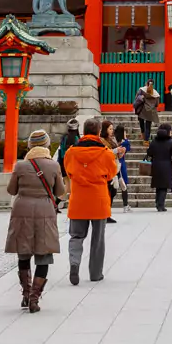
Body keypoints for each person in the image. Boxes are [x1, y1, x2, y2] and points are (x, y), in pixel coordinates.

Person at [4, 129, 62, 311]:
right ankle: (34, 299)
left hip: (22, 210)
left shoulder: (20, 166)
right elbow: (60, 192)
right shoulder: (53, 166)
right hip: (45, 210)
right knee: (43, 255)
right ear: (46, 145)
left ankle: (26, 293)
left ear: (29, 145)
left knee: (24, 252)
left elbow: (11, 190)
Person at [59, 120, 117, 285]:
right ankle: (95, 273)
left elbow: (69, 171)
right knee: (98, 239)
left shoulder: (71, 152)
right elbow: (111, 173)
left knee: (76, 236)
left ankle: (75, 264)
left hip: (78, 199)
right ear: (99, 131)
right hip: (98, 198)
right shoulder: (105, 153)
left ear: (83, 132)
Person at [148, 123, 172, 212]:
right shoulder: (170, 142)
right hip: (166, 166)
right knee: (164, 186)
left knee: (158, 185)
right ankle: (160, 205)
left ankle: (158, 202)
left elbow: (149, 153)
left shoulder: (154, 141)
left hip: (155, 165)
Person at [110, 121, 132, 213]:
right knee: (123, 184)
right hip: (120, 164)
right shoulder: (124, 142)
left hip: (113, 164)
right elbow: (129, 148)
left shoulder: (112, 141)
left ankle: (109, 205)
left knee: (112, 185)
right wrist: (126, 138)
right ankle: (125, 205)